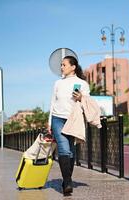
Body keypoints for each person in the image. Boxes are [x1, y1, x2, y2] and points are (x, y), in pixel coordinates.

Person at [48, 55, 90, 195]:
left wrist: (81, 97)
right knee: (64, 149)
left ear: (73, 67)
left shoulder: (82, 84)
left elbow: (87, 102)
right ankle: (68, 183)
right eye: (61, 65)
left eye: (64, 65)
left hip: (73, 120)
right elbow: (53, 103)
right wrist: (49, 122)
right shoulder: (57, 83)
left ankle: (67, 179)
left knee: (71, 150)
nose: (61, 67)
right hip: (57, 119)